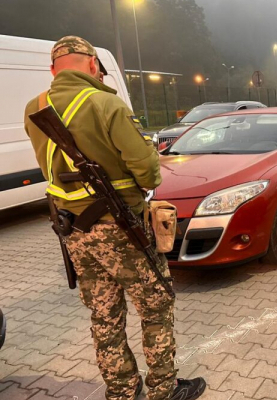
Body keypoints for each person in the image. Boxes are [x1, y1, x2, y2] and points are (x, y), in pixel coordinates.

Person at [23, 36, 206, 400]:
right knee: (156, 306)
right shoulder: (106, 104)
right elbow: (149, 173)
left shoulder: (34, 108)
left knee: (104, 316)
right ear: (92, 65)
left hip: (73, 231)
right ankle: (163, 389)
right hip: (121, 229)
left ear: (53, 70)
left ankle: (122, 391)